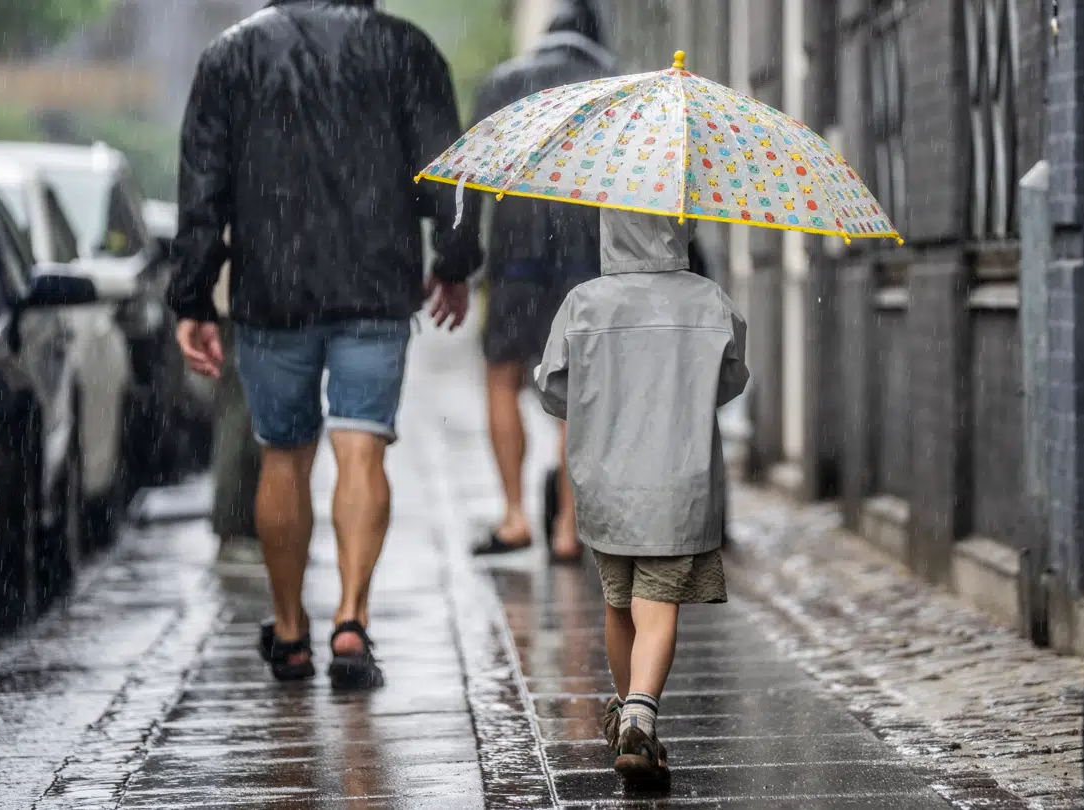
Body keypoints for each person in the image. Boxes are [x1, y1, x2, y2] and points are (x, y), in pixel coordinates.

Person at [169, 0, 481, 688]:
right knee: (362, 448)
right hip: (376, 283)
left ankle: (288, 633)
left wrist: (193, 294)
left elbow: (202, 188)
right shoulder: (407, 49)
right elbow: (450, 172)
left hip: (271, 292)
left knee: (282, 459)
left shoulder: (232, 55)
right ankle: (350, 622)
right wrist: (454, 262)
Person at [534, 210, 749, 786]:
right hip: (676, 480)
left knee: (619, 600)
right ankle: (640, 717)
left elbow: (553, 388)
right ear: (679, 227)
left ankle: (630, 710)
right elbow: (732, 379)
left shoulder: (584, 302)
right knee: (659, 602)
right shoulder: (708, 301)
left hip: (605, 480)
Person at [469, 0, 617, 563]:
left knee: (502, 379)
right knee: (578, 394)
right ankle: (567, 529)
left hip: (515, 259)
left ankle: (513, 516)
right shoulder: (615, 83)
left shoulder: (504, 85)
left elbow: (474, 175)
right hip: (588, 262)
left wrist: (461, 261)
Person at [209, 262, 262, 564]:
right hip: (248, 298)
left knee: (240, 410)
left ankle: (241, 526)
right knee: (240, 415)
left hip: (242, 296)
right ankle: (236, 527)